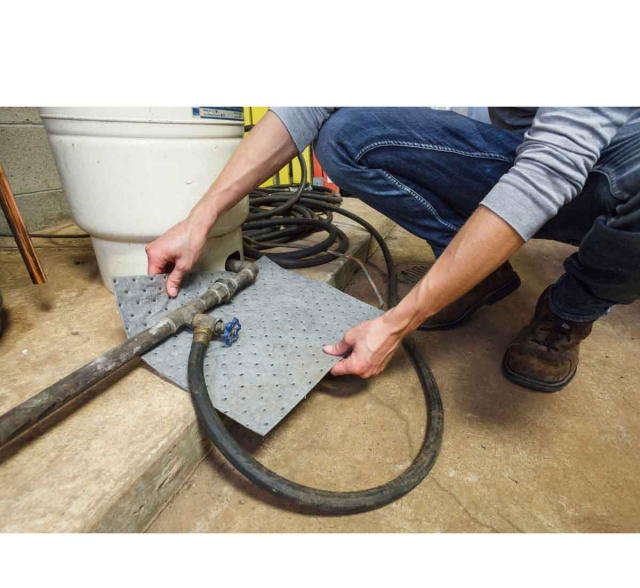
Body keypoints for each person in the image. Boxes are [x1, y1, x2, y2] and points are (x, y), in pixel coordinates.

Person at [146, 107, 640, 392]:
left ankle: (569, 310)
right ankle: (478, 274)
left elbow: (550, 168)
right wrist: (200, 218)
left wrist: (400, 321)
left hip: (614, 162)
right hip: (514, 147)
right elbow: (310, 101)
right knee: (348, 138)